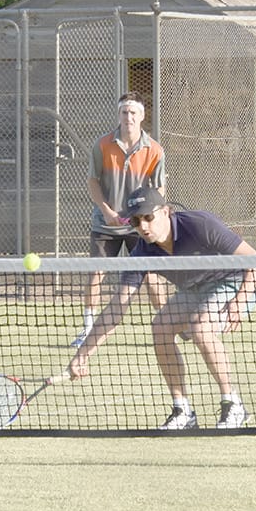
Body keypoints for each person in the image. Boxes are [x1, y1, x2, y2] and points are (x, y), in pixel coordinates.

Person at [68, 186, 256, 430]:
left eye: (148, 217)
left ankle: (233, 404)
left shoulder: (200, 225)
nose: (143, 226)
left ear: (166, 212)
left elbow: (255, 261)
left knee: (201, 327)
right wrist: (83, 354)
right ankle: (183, 411)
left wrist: (240, 301)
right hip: (194, 290)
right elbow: (117, 308)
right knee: (160, 326)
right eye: (136, 221)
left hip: (233, 282)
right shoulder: (142, 253)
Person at [71, 92, 166, 347]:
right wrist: (107, 212)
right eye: (124, 112)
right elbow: (92, 182)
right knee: (96, 273)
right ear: (119, 115)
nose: (129, 117)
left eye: (133, 113)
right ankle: (88, 330)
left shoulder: (155, 150)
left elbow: (158, 190)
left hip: (138, 227)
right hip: (105, 224)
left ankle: (169, 327)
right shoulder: (101, 145)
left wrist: (144, 218)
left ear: (142, 116)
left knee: (152, 276)